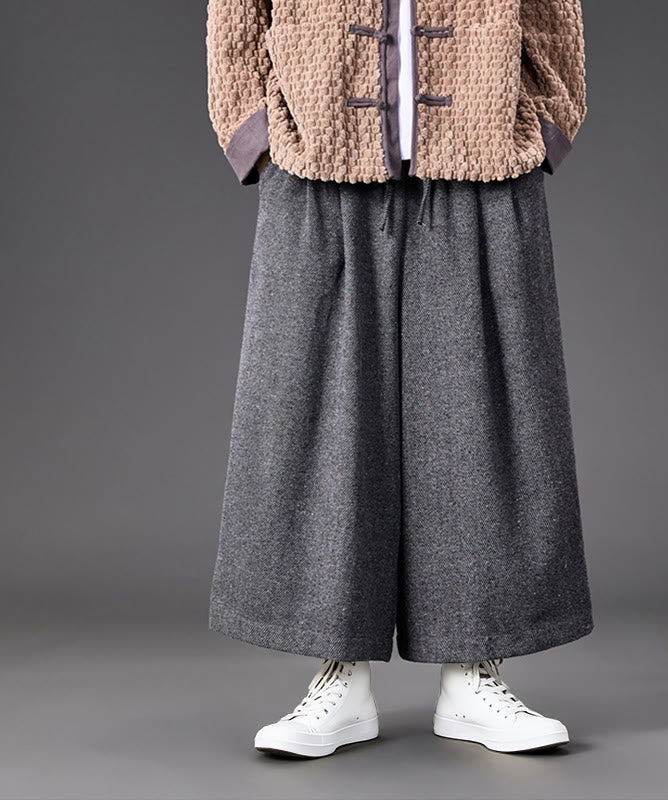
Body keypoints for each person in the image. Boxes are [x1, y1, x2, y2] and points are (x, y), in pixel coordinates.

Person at [205, 0, 593, 757]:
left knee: (484, 419)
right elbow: (235, 12)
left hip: (481, 141)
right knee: (322, 421)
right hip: (318, 141)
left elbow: (554, 11)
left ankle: (475, 671)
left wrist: (545, 116)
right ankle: (338, 674)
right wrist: (254, 128)